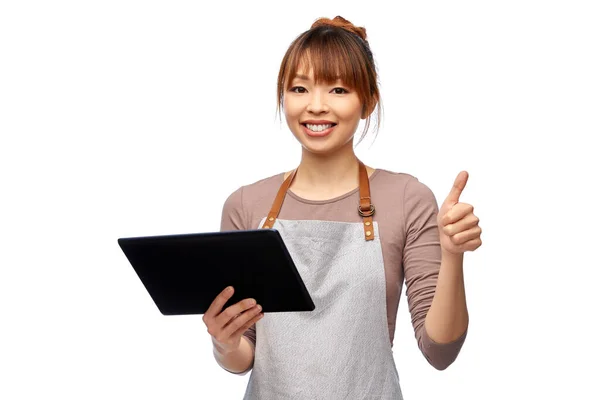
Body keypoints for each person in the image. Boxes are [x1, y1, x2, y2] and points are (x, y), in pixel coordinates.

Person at [202, 15, 483, 399]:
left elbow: (440, 350)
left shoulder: (406, 198)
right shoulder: (246, 205)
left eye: (337, 89)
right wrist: (224, 341)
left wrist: (453, 257)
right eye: (299, 88)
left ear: (368, 102)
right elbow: (243, 357)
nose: (316, 106)